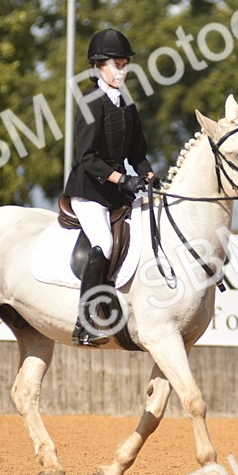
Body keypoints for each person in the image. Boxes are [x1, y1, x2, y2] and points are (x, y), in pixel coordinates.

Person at [62, 28, 155, 346]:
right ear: (98, 67)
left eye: (124, 63)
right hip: (89, 191)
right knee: (103, 240)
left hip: (117, 191)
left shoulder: (127, 106)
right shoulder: (91, 104)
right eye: (115, 64)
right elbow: (86, 157)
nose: (122, 70)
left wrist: (150, 177)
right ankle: (84, 323)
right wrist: (122, 179)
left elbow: (137, 155)